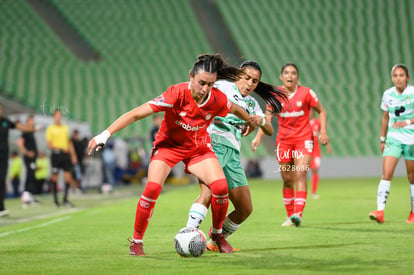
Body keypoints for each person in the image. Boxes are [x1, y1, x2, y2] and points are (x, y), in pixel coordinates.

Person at [88, 54, 263, 256]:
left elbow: (234, 108)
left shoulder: (216, 98)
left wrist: (249, 120)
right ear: (191, 77)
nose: (205, 89)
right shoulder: (176, 94)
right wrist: (105, 134)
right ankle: (136, 241)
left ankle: (217, 235)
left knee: (221, 187)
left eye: (210, 84)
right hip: (168, 147)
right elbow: (136, 113)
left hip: (198, 148)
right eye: (201, 83)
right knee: (152, 188)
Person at [184, 60, 285, 251]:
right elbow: (199, 96)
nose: (249, 83)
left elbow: (270, 129)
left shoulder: (252, 103)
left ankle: (215, 240)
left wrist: (259, 120)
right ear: (238, 75)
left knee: (245, 208)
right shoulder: (222, 86)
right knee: (208, 192)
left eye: (254, 81)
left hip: (232, 153)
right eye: (247, 78)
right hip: (212, 144)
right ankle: (187, 235)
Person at [252, 63, 329, 227]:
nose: (290, 75)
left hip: (303, 139)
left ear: (297, 77)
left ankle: (298, 214)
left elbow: (322, 111)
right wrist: (258, 137)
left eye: (293, 73)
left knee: (300, 174)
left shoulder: (306, 93)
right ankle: (290, 216)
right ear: (281, 76)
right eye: (286, 72)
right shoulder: (275, 96)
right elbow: (267, 120)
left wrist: (323, 132)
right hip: (284, 141)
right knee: (287, 179)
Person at [369, 64, 414, 224]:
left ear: (407, 78)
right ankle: (380, 211)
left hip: (411, 139)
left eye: (401, 75)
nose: (398, 78)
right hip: (394, 138)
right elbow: (385, 117)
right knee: (386, 174)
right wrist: (382, 139)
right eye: (395, 75)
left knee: (412, 177)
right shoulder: (388, 94)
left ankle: (413, 213)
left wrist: (407, 122)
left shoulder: (412, 92)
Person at [0, 105, 35, 217]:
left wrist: (32, 129)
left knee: (1, 180)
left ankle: (1, 207)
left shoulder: (5, 122)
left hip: (3, 156)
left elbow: (19, 126)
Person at [45, 110, 77, 208]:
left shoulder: (65, 128)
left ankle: (65, 200)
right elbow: (49, 144)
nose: (58, 117)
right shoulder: (50, 129)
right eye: (57, 116)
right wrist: (59, 148)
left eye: (60, 116)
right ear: (53, 117)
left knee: (68, 177)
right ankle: (55, 201)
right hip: (56, 155)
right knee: (55, 177)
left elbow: (69, 142)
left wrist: (73, 154)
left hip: (65, 156)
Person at [309, 109, 332, 199]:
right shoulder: (304, 122)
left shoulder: (317, 123)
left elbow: (323, 134)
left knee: (315, 170)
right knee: (301, 171)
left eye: (311, 112)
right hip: (306, 150)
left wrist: (328, 145)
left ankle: (314, 192)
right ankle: (300, 191)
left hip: (316, 151)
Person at [17, 115, 38, 206]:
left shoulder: (31, 133)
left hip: (33, 159)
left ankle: (30, 195)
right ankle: (26, 196)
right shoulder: (25, 132)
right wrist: (27, 153)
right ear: (27, 122)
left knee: (32, 175)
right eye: (31, 120)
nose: (33, 122)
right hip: (29, 158)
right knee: (30, 175)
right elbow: (20, 143)